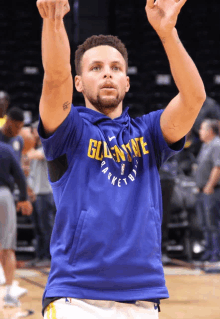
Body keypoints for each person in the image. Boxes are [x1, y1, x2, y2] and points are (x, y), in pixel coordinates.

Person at [36, 0, 206, 318]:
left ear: (127, 82)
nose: (107, 75)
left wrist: (168, 33)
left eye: (116, 68)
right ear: (79, 83)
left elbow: (194, 97)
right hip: (76, 296)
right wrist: (54, 20)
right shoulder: (68, 129)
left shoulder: (150, 132)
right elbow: (55, 77)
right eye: (96, 68)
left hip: (141, 298)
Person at [0, 142, 33, 307]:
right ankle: (8, 294)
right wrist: (23, 199)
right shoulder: (6, 149)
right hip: (4, 196)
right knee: (7, 247)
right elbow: (20, 175)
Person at [26, 121, 55, 267]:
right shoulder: (34, 148)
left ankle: (49, 258)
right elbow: (29, 172)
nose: (32, 133)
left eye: (34, 130)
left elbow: (36, 156)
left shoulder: (49, 145)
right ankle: (39, 255)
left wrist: (24, 150)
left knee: (46, 227)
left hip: (46, 193)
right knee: (37, 228)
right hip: (35, 194)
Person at [194, 119, 220, 263]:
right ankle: (209, 251)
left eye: (202, 129)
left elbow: (218, 167)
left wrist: (209, 185)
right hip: (203, 190)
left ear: (210, 131)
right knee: (205, 224)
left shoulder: (216, 145)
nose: (200, 132)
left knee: (213, 224)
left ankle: (216, 253)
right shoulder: (205, 146)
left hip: (213, 190)